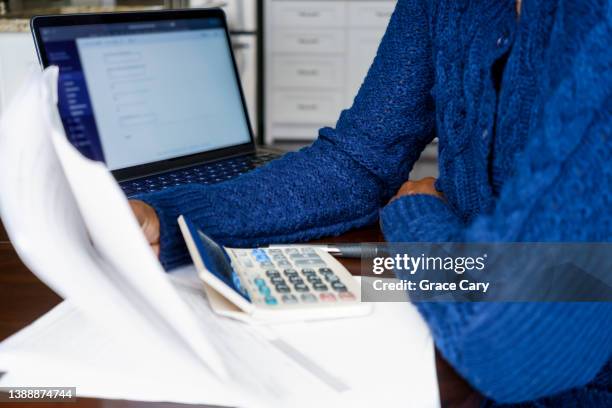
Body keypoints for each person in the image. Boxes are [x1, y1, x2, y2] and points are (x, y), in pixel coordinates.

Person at [130, 0, 611, 405]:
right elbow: (356, 162)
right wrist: (168, 217)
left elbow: (518, 340)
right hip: (441, 336)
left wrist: (416, 217)